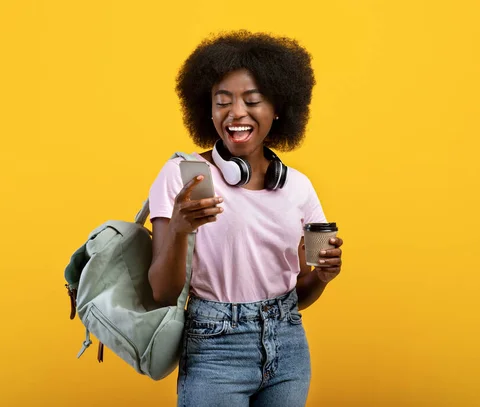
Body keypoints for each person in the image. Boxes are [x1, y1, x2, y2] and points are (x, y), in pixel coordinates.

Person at [147, 30, 344, 407]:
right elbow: (162, 292)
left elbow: (300, 296)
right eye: (222, 102)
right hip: (214, 347)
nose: (236, 113)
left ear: (278, 108)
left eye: (252, 101)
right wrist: (180, 229)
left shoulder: (299, 188)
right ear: (207, 110)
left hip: (288, 345)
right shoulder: (182, 174)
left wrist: (321, 275)